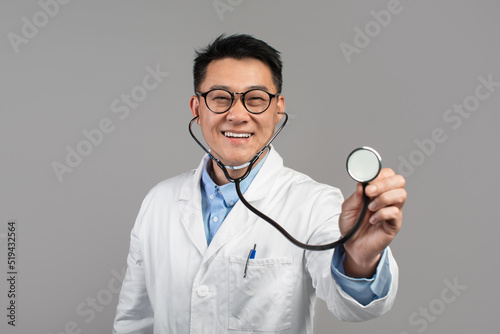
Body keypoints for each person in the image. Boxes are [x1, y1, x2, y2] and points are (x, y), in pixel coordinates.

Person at [113, 34, 407, 334]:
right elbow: (133, 322)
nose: (237, 115)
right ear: (196, 108)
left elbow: (350, 307)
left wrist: (359, 259)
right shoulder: (158, 202)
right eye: (219, 97)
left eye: (255, 99)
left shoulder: (315, 205)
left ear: (278, 109)